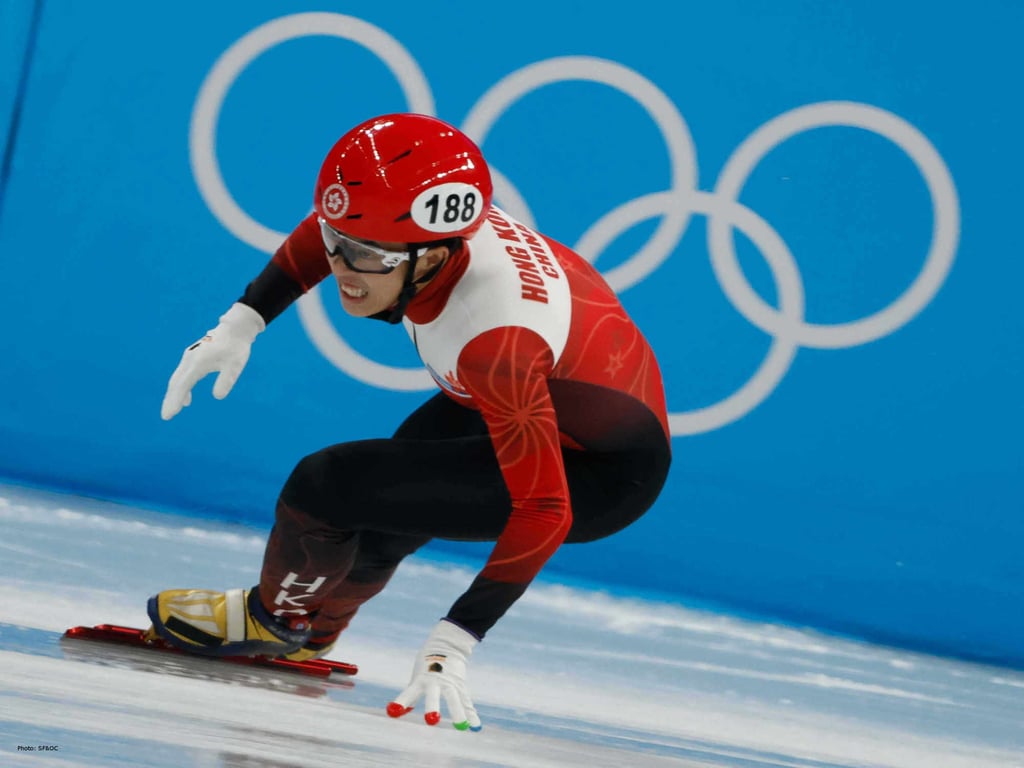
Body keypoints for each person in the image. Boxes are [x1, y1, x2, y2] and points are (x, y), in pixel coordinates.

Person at [149, 113, 672, 731]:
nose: (342, 268)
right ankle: (311, 629)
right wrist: (241, 323)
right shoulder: (414, 234)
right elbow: (335, 230)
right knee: (379, 514)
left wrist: (456, 640)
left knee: (328, 484)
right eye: (340, 243)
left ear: (431, 257)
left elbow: (546, 509)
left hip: (595, 472)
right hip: (532, 402)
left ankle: (273, 620)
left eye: (364, 256)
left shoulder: (495, 346)